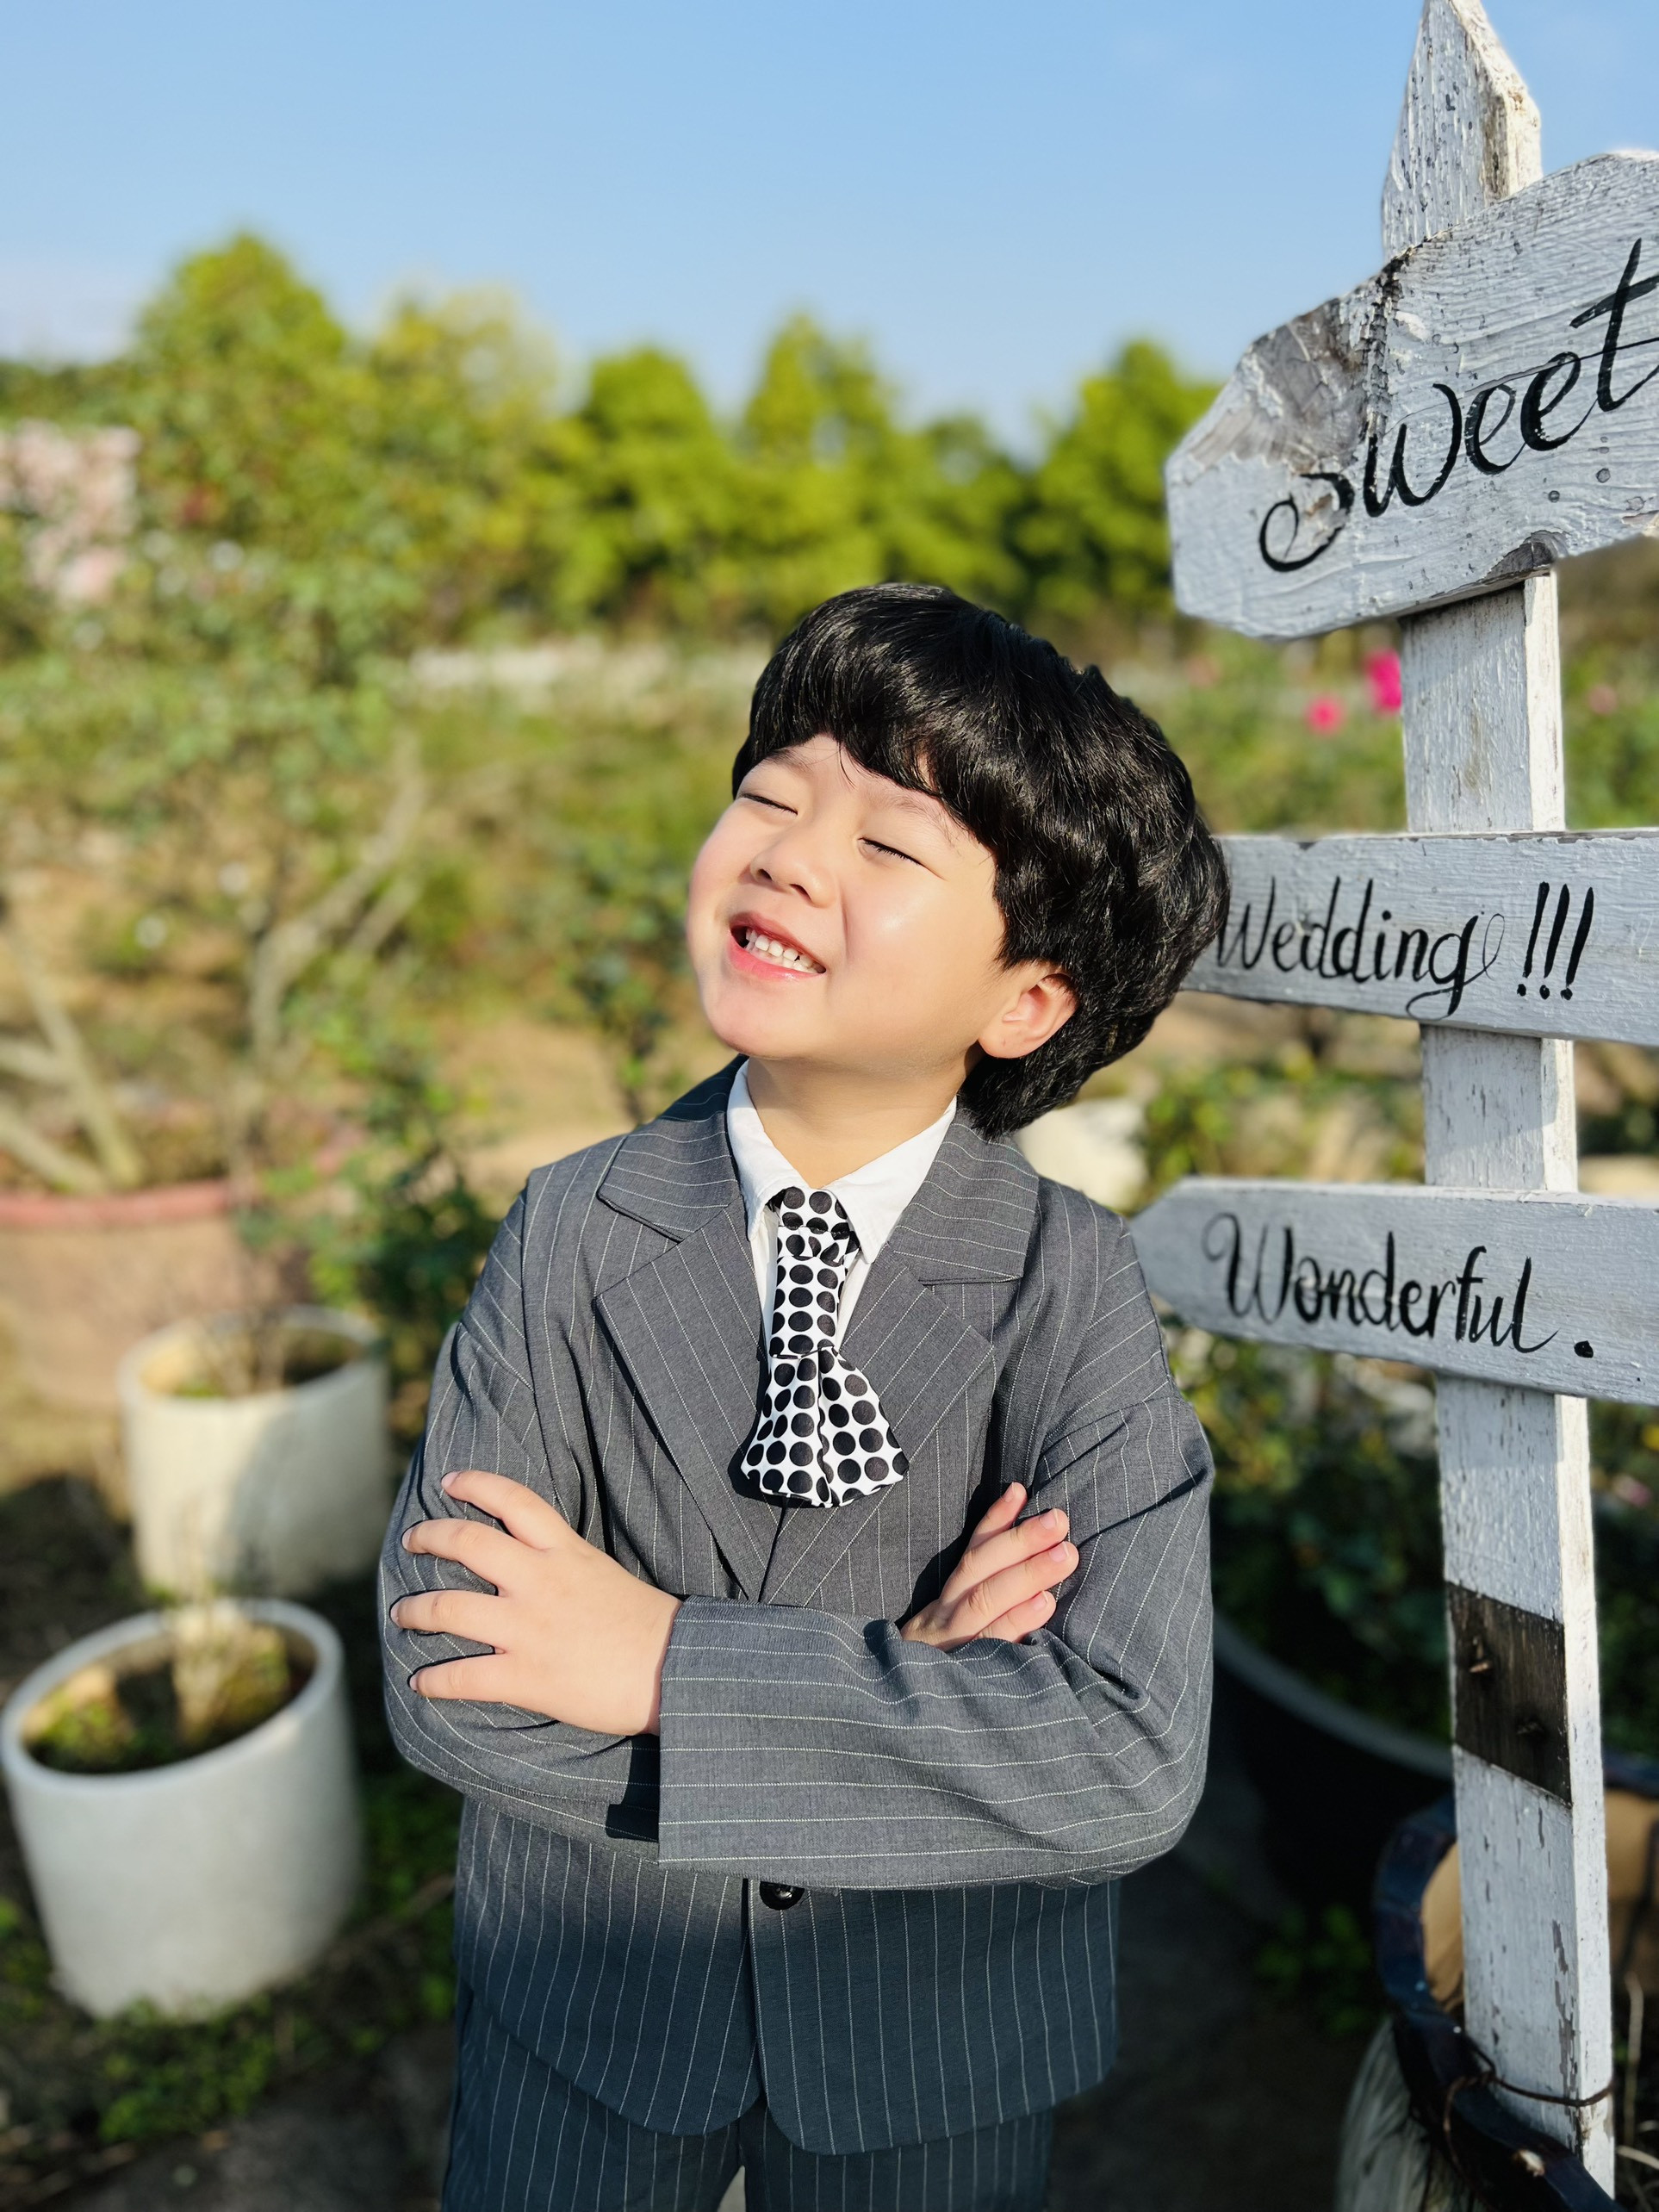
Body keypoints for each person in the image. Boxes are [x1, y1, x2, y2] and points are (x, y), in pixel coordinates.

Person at [380, 582, 1228, 2212]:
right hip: (593, 2006)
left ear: (1024, 1000)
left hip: (930, 2046)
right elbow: (447, 1676)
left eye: (888, 843)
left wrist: (660, 1664)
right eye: (771, 797)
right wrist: (912, 1682)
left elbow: (1124, 1757)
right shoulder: (575, 1225)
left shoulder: (1067, 1283)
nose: (788, 855)